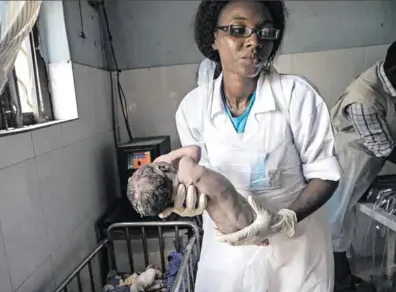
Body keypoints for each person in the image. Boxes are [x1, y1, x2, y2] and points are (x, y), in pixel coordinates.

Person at [157, 1, 341, 291]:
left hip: (297, 251)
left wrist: (284, 220)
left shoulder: (296, 96)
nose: (254, 42)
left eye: (265, 32)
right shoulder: (192, 109)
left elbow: (325, 175)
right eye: (238, 30)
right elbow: (200, 179)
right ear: (212, 38)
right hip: (228, 251)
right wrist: (186, 200)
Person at [326, 40, 396, 292]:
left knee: (341, 226)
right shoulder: (363, 100)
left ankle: (342, 279)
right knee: (334, 227)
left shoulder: (386, 74)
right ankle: (340, 285)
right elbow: (385, 148)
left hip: (365, 160)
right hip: (345, 162)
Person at [127, 145, 297, 236]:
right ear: (163, 167)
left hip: (226, 229)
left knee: (253, 234)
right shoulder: (186, 166)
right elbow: (195, 150)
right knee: (266, 223)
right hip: (245, 212)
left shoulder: (182, 200)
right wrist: (170, 157)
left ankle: (261, 240)